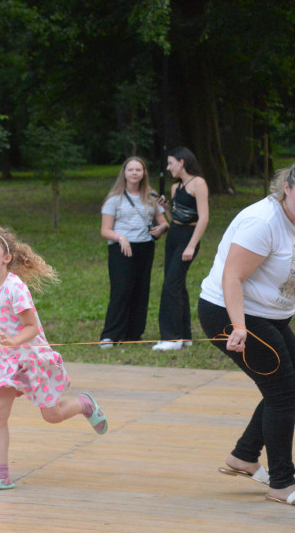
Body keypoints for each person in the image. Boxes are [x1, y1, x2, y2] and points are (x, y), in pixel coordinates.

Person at [0, 226, 108, 492]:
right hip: (6, 361)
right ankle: (2, 476)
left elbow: (31, 327)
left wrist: (14, 341)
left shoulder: (15, 288)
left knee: (52, 415)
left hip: (32, 357)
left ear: (6, 258)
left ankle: (83, 404)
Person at [198, 164, 295, 507]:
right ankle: (282, 483)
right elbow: (231, 278)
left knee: (284, 388)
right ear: (287, 188)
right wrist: (239, 326)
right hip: (229, 312)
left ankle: (244, 455)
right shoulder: (263, 222)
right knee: (283, 392)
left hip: (271, 316)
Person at [98, 157, 168, 348]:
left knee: (141, 289)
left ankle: (134, 333)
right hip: (122, 248)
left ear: (144, 173)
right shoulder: (114, 199)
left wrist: (162, 229)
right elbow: (105, 230)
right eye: (131, 170)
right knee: (121, 290)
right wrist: (120, 237)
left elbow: (164, 221)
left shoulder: (151, 196)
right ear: (125, 173)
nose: (135, 173)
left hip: (145, 246)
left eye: (139, 169)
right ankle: (110, 335)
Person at [152, 147, 210, 351]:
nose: (168, 168)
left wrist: (192, 245)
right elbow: (174, 218)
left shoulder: (199, 183)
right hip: (174, 236)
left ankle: (171, 338)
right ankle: (185, 336)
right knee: (177, 285)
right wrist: (166, 207)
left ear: (182, 162)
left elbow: (204, 218)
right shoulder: (176, 187)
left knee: (170, 285)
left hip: (188, 237)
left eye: (170, 163)